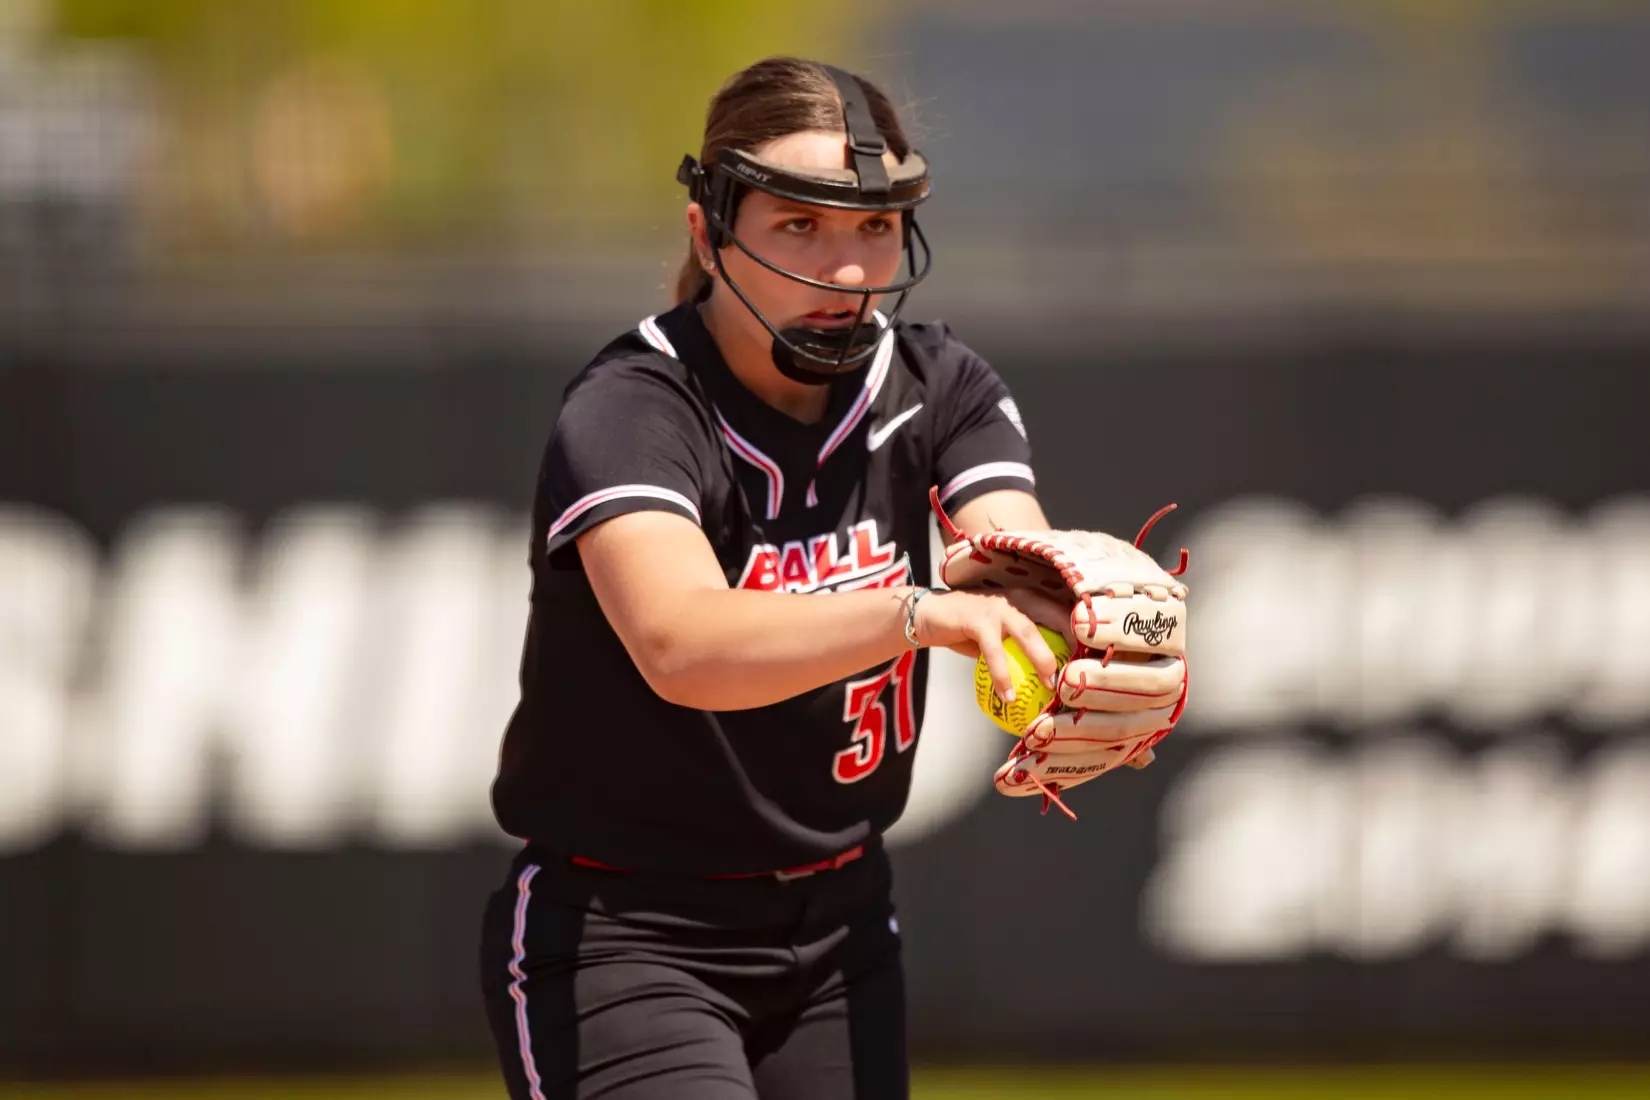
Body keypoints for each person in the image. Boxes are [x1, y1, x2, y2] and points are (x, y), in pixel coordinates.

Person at [479, 56, 1080, 1100]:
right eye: (800, 225)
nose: (847, 272)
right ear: (708, 232)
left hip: (841, 931)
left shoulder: (938, 385)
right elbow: (681, 642)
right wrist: (924, 613)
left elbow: (1012, 554)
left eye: (875, 226)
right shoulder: (635, 408)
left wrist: (1084, 614)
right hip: (627, 936)